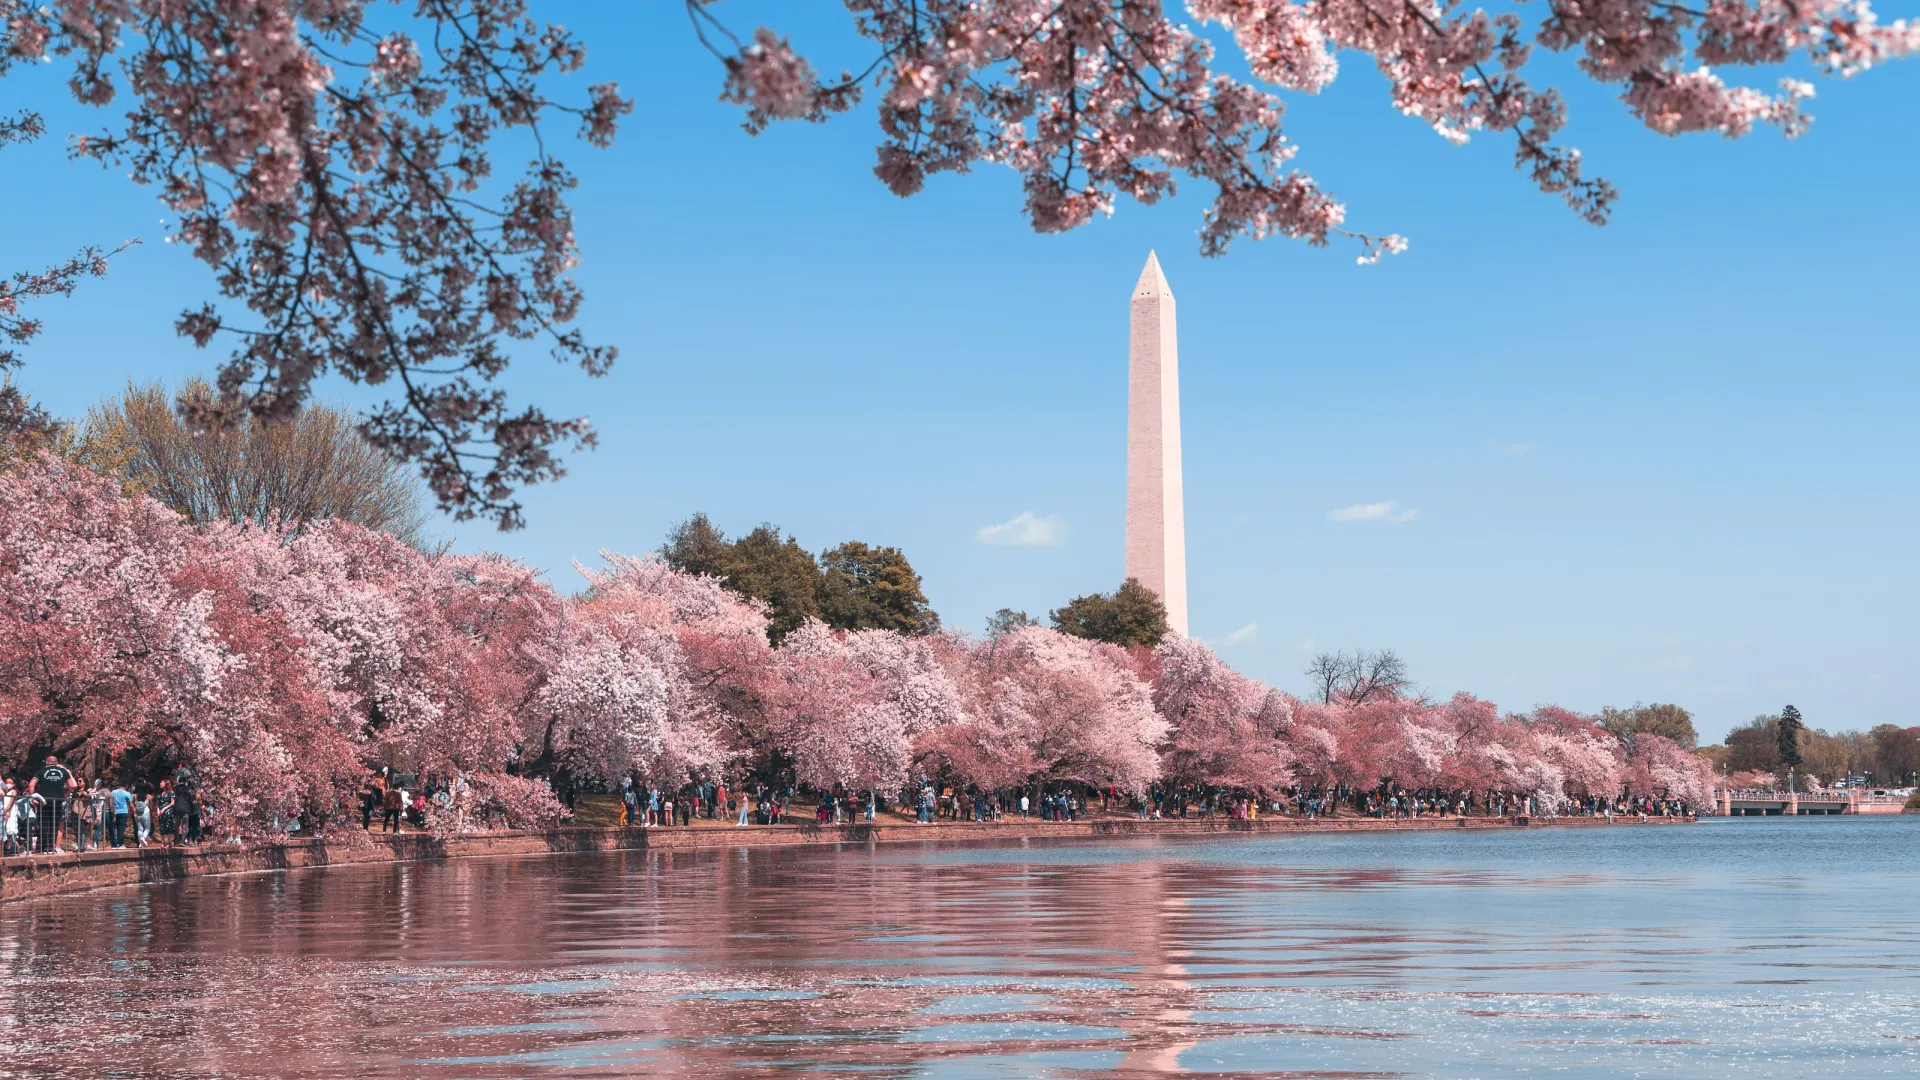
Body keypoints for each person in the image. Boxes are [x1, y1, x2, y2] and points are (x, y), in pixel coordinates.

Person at [35, 754, 74, 853]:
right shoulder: (63, 771)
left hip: (44, 801)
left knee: (43, 824)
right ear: (57, 763)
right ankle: (51, 847)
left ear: (46, 762)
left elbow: (31, 784)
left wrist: (33, 796)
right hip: (58, 801)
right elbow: (72, 786)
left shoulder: (41, 771)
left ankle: (43, 848)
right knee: (54, 825)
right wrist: (66, 794)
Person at [109, 781, 133, 847]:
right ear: (126, 786)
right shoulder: (127, 793)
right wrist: (132, 811)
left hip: (115, 812)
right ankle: (121, 843)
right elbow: (131, 804)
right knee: (121, 828)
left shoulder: (113, 792)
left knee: (115, 828)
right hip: (123, 812)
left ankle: (114, 843)